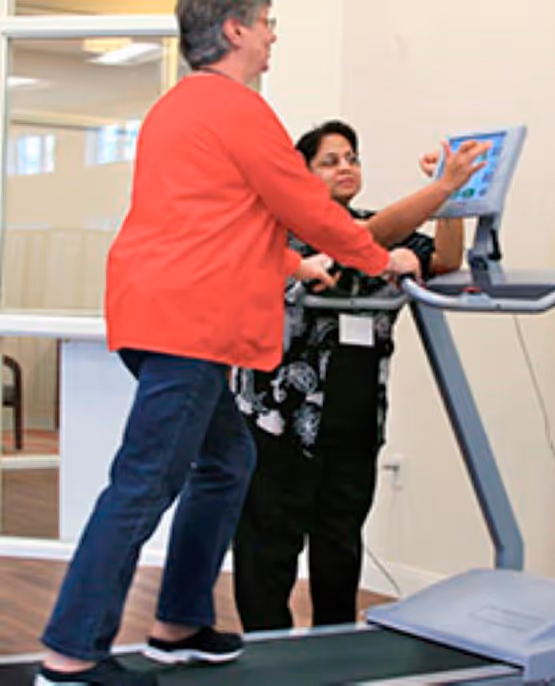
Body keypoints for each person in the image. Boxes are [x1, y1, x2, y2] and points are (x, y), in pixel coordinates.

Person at [35, 1, 487, 684]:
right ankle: (69, 656)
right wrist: (378, 253)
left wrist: (291, 265)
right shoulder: (238, 109)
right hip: (189, 324)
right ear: (236, 29)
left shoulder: (178, 108)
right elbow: (308, 211)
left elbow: (210, 217)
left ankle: (179, 623)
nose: (275, 34)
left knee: (226, 462)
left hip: (156, 314)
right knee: (143, 482)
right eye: (267, 20)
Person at [231, 120, 462, 631]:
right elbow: (353, 243)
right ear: (301, 174)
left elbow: (445, 258)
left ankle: (333, 646)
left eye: (352, 157)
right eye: (330, 160)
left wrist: (449, 197)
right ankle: (266, 653)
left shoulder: (374, 222)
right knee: (271, 541)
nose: (346, 167)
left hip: (354, 415)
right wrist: (432, 193)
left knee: (340, 539)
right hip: (281, 419)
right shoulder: (281, 229)